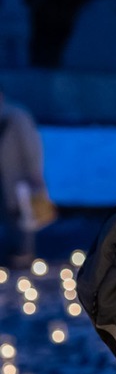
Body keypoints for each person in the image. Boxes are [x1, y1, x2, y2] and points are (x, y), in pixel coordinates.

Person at [0, 89, 56, 267]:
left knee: (24, 216)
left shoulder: (16, 116)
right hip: (5, 177)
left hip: (17, 177)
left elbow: (31, 146)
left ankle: (23, 257)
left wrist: (34, 173)